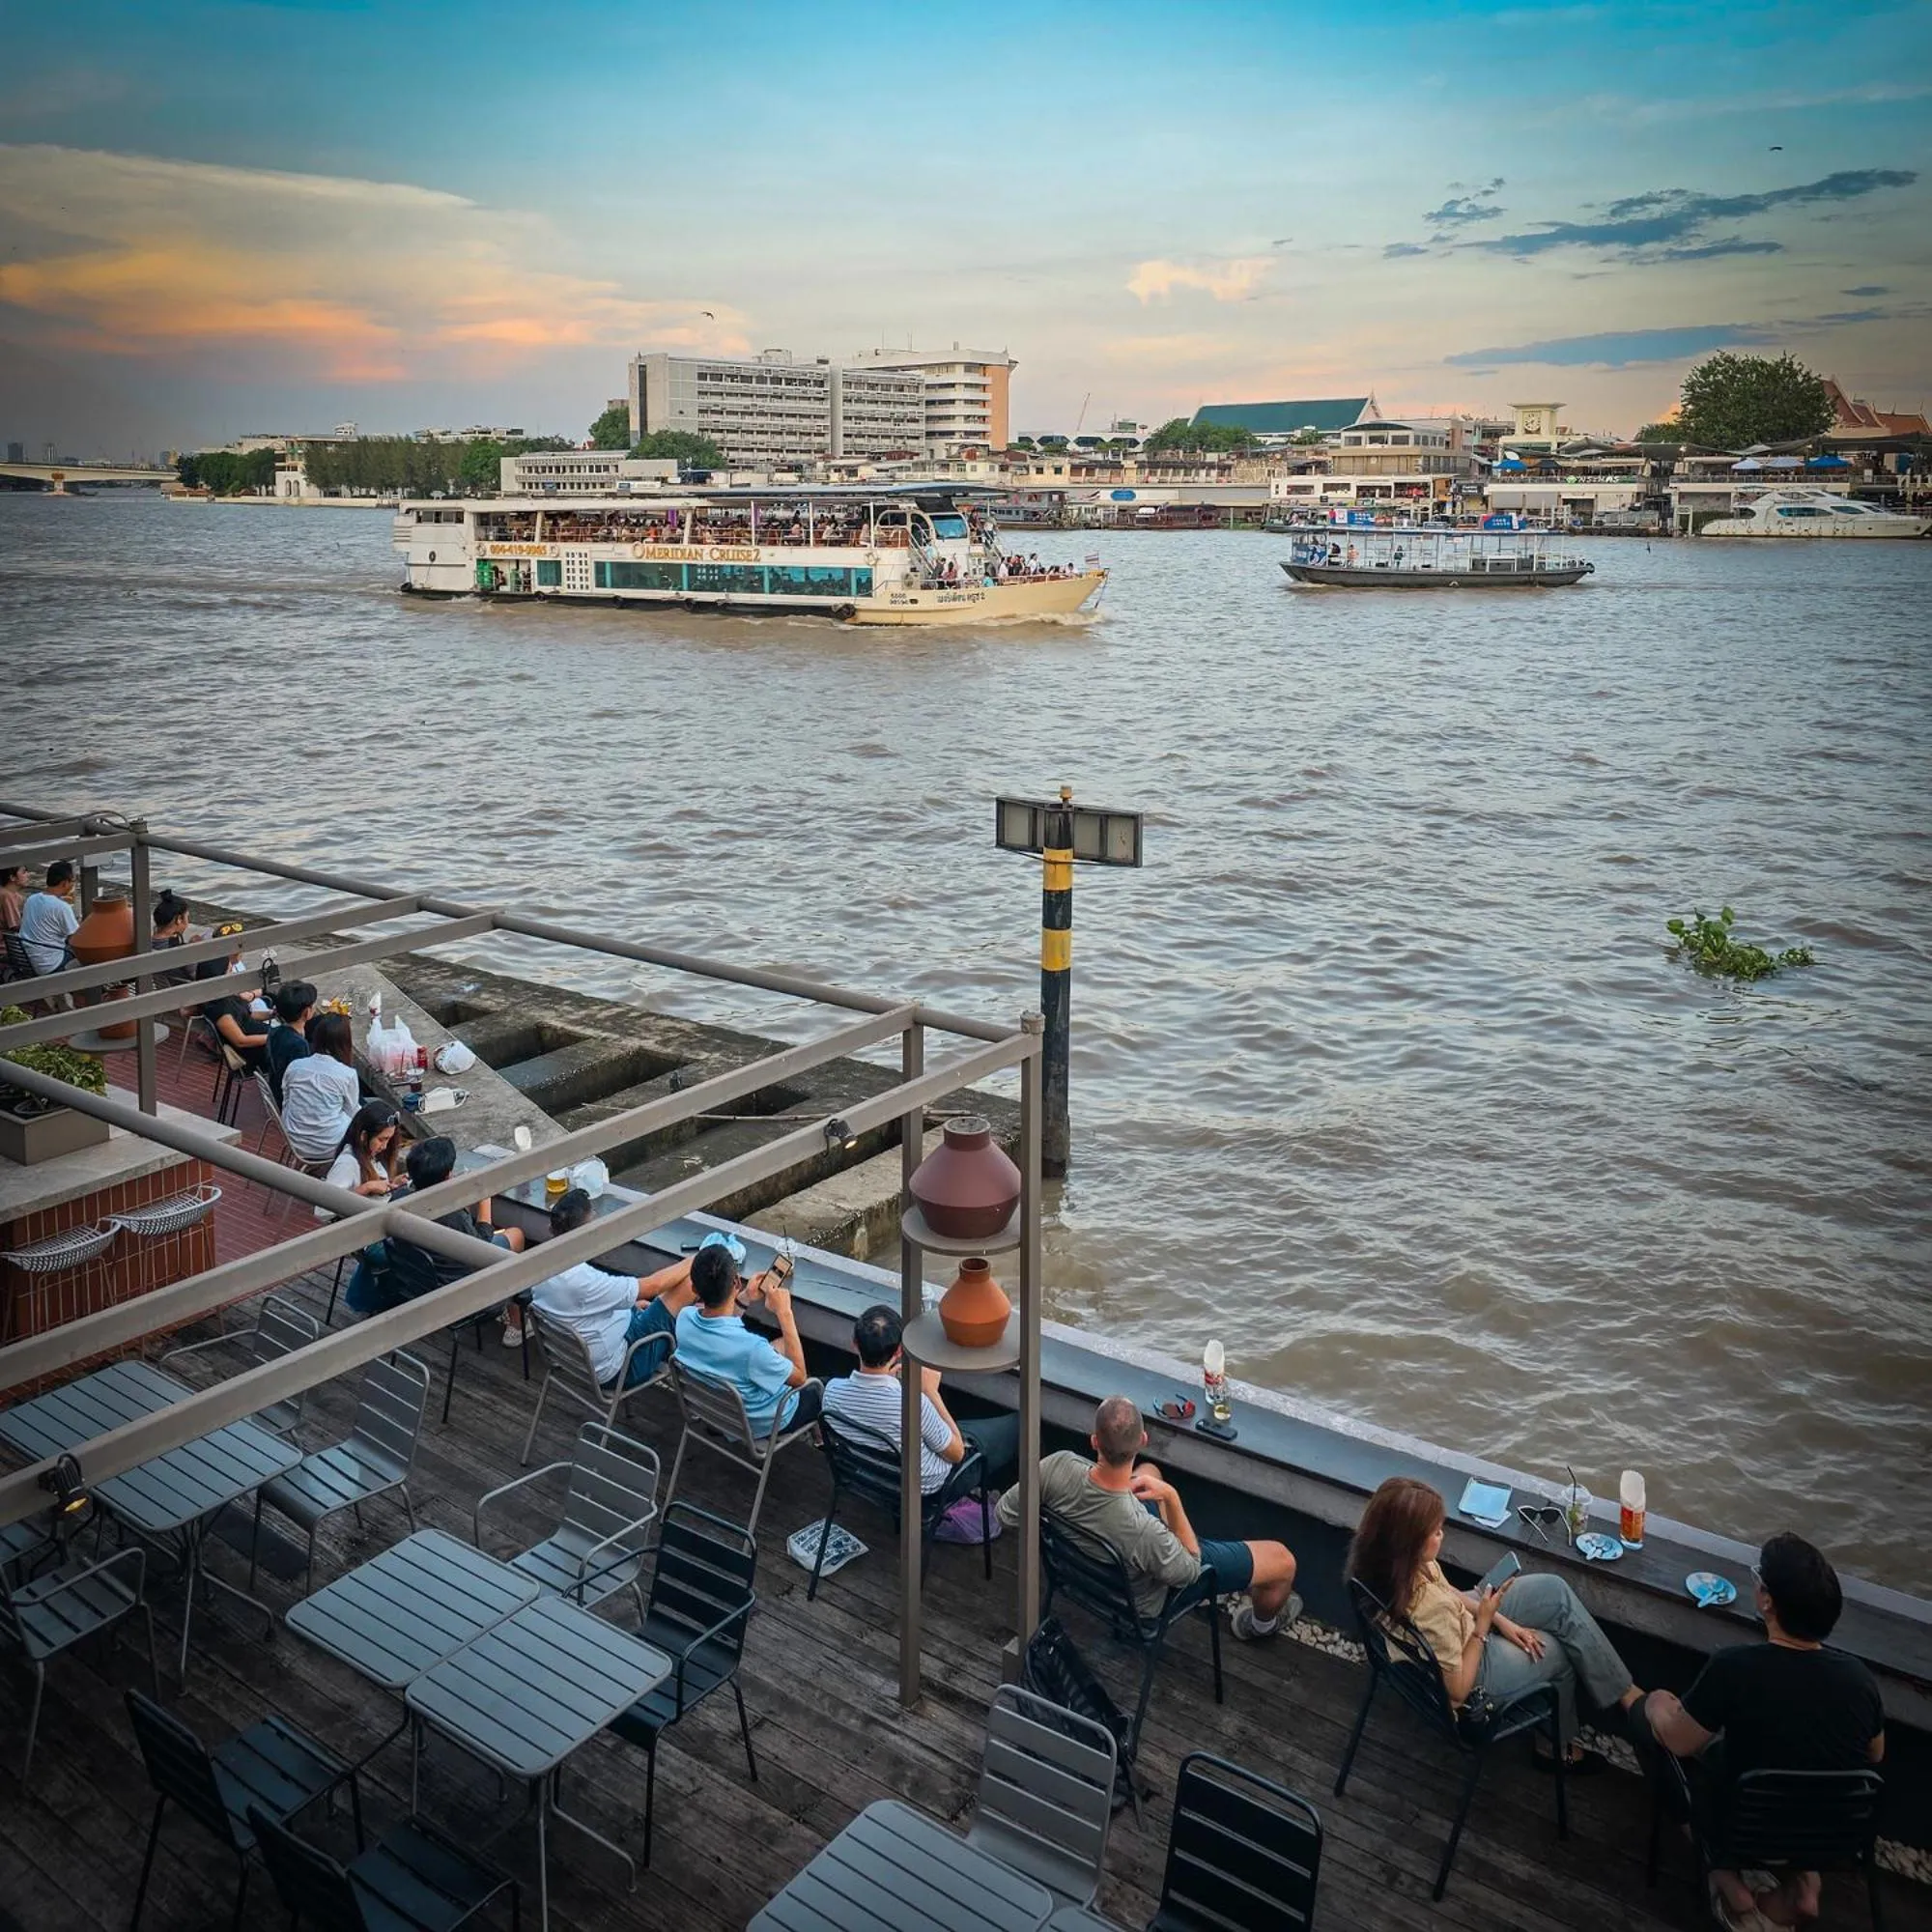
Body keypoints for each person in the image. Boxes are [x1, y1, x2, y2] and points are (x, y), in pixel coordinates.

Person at [1644, 1533, 1884, 1931]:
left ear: (1767, 1601)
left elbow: (1677, 1739)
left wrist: (1655, 1705)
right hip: (1831, 1836)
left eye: (1759, 1579)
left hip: (1747, 1831)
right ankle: (1804, 1883)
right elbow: (1874, 1754)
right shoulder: (1859, 1680)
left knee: (1654, 1731)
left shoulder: (1735, 1668)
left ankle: (1724, 1875)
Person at [1345, 1476, 1645, 1766]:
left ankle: (1627, 1695)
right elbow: (1459, 1690)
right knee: (1557, 1650)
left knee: (1554, 1591)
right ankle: (1556, 1749)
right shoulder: (1432, 1609)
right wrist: (1483, 1626)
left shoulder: (1388, 1564)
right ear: (1409, 1541)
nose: (1442, 1534)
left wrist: (1502, 1621)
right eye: (1436, 1532)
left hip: (1458, 1628)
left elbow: (1447, 1592)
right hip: (1472, 1669)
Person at [1000, 1394, 1300, 1639]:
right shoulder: (1144, 1531)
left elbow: (1004, 1514)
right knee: (1283, 1561)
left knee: (1149, 1472)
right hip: (1140, 1599)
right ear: (1143, 1439)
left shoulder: (1056, 1465)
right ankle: (1258, 1627)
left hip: (1077, 1575)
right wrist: (1171, 1497)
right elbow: (1190, 1572)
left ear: (1094, 1442)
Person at [823, 1303, 1019, 1492]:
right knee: (1018, 1424)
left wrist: (887, 1381)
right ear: (900, 1351)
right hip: (925, 1489)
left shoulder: (832, 1392)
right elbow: (957, 1454)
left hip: (869, 1475)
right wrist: (930, 1392)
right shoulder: (913, 1405)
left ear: (855, 1343)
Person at [529, 1189, 701, 1386]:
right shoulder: (584, 1280)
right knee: (688, 1283)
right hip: (618, 1368)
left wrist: (630, 1307)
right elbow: (654, 1285)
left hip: (571, 1359)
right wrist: (698, 1258)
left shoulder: (539, 1266)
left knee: (644, 1304)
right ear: (585, 1232)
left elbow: (582, 1308)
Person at [357, 1135, 527, 1328]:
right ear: (447, 1175)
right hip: (456, 1290)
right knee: (516, 1235)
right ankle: (517, 1324)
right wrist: (484, 1199)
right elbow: (482, 1248)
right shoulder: (452, 1216)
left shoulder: (401, 1196)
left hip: (419, 1283)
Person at [672, 1236, 819, 1435]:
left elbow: (719, 1328)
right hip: (758, 1422)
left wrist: (744, 1299)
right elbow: (800, 1378)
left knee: (781, 1345)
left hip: (714, 1410)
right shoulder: (752, 1349)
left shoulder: (684, 1319)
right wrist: (784, 1313)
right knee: (820, 1389)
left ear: (695, 1289)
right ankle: (821, 1441)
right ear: (736, 1282)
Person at [278, 1011, 362, 1163]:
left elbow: (286, 1098)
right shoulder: (347, 1074)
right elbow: (353, 1112)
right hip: (329, 1145)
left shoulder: (295, 1066)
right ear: (345, 1042)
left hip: (292, 1137)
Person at [316, 1099, 408, 1213]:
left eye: (388, 1139)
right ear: (364, 1136)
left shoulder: (372, 1155)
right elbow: (323, 1210)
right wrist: (366, 1188)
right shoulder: (347, 1163)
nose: (384, 1146)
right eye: (381, 1140)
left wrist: (392, 1184)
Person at [192, 952, 270, 1070]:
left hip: (262, 1040)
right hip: (255, 1051)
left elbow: (246, 1016)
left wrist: (271, 1014)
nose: (233, 973)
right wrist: (275, 1037)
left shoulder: (226, 997)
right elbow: (241, 1041)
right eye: (229, 971)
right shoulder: (219, 1009)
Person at [17, 861, 79, 977]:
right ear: (65, 883)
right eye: (73, 881)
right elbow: (77, 940)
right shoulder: (62, 907)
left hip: (28, 961)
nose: (73, 885)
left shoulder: (32, 899)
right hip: (50, 965)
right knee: (88, 963)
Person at [263, 980, 317, 1103]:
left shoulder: (275, 1032)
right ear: (307, 1012)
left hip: (276, 1089)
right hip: (289, 1101)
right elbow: (301, 1082)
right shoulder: (299, 1045)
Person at [0, 864, 28, 934]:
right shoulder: (7, 896)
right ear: (12, 877)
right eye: (24, 872)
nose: (28, 875)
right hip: (5, 942)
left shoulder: (13, 894)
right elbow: (15, 925)